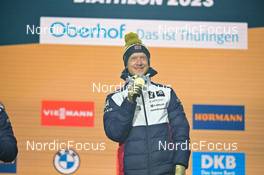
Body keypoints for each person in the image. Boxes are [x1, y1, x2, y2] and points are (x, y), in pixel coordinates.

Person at [103, 32, 190, 175]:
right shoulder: (115, 98)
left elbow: (181, 132)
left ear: (148, 62)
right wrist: (129, 101)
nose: (139, 62)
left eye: (143, 57)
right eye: (133, 58)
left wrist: (181, 164)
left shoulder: (166, 92)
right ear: (126, 64)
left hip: (166, 171)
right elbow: (115, 133)